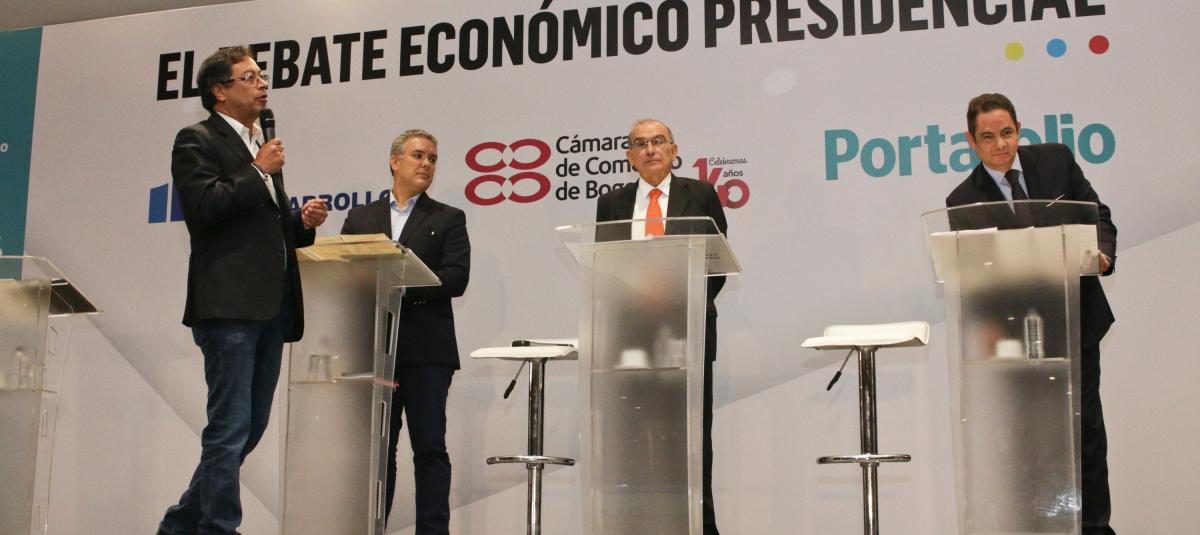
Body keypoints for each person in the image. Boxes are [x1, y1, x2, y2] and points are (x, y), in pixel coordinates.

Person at [158, 46, 329, 535]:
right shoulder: (196, 140)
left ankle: (179, 526)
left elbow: (265, 230)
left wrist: (301, 223)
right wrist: (257, 170)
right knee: (229, 427)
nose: (262, 84)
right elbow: (205, 208)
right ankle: (217, 527)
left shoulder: (261, 145)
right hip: (229, 306)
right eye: (250, 77)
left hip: (271, 307)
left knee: (249, 428)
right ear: (219, 90)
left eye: (262, 75)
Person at [947, 93, 1117, 535]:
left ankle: (1096, 528)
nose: (1000, 144)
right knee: (1030, 445)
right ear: (971, 141)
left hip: (1076, 323)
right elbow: (977, 283)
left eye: (1007, 133)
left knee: (1086, 435)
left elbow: (1098, 215)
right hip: (1017, 345)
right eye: (988, 137)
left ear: (1019, 130)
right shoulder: (963, 201)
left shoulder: (1056, 161)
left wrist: (1101, 253)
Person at [595, 118, 728, 535]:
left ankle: (699, 526)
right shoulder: (612, 203)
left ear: (673, 150)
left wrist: (675, 300)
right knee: (631, 434)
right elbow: (605, 267)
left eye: (658, 141)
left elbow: (717, 264)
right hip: (631, 336)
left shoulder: (701, 194)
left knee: (690, 435)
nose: (650, 149)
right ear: (629, 156)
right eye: (640, 144)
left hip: (686, 329)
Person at [341, 129, 470, 535]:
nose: (427, 164)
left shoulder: (448, 218)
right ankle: (371, 528)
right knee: (379, 452)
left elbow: (456, 278)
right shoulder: (361, 219)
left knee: (430, 449)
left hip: (427, 352)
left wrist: (398, 286)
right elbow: (347, 274)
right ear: (394, 161)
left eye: (433, 158)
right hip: (374, 351)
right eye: (418, 155)